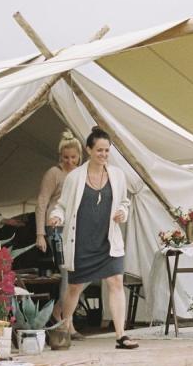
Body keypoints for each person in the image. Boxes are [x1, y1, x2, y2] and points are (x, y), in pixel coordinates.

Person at [47, 127, 138, 350]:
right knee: (75, 287)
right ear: (89, 150)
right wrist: (56, 217)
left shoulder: (117, 175)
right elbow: (62, 206)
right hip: (81, 241)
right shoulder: (74, 177)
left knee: (116, 281)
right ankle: (65, 327)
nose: (103, 155)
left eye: (107, 150)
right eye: (99, 150)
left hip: (108, 240)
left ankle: (121, 335)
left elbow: (125, 203)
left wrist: (122, 213)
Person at [35, 130, 82, 329]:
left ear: (80, 156)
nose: (70, 161)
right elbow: (42, 202)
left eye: (73, 157)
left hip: (77, 228)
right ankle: (66, 323)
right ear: (60, 156)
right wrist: (40, 234)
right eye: (66, 157)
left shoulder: (82, 173)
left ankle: (59, 310)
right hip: (56, 228)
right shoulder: (54, 173)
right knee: (67, 273)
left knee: (85, 274)